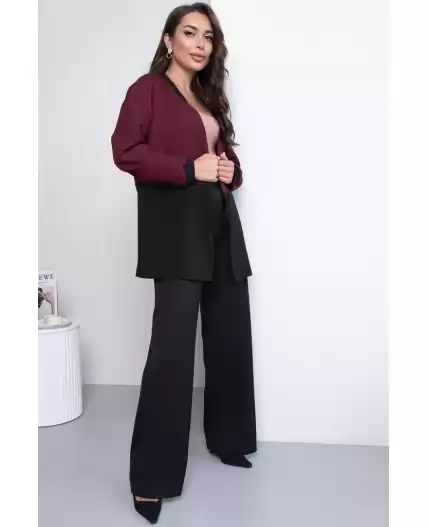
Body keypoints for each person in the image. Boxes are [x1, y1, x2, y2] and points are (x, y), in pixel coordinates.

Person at [111, 3, 257, 524]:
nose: (200, 44)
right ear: (169, 40)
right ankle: (151, 479)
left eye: (208, 37)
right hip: (177, 236)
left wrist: (228, 169)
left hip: (221, 228)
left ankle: (229, 440)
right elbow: (126, 152)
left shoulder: (209, 97)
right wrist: (187, 169)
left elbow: (225, 162)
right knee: (171, 355)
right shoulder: (146, 91)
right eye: (190, 33)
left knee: (229, 336)